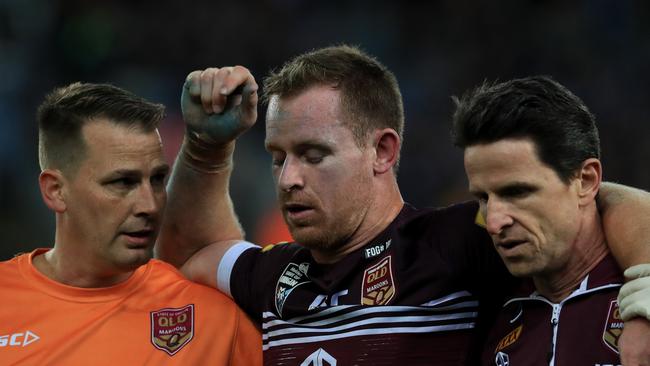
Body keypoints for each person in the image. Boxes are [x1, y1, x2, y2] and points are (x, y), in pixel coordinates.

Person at [158, 46, 650, 365]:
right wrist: (204, 146)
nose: (289, 179)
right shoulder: (276, 274)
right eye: (277, 158)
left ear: (383, 151)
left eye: (313, 155)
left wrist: (648, 286)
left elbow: (589, 202)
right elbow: (188, 252)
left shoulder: (458, 240)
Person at [0, 82, 261, 365]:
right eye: (123, 182)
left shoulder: (212, 320)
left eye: (158, 179)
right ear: (55, 191)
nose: (149, 206)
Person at [452, 75, 633, 365]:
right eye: (483, 198)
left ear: (585, 181)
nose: (494, 223)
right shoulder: (482, 307)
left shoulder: (637, 301)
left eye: (518, 191)